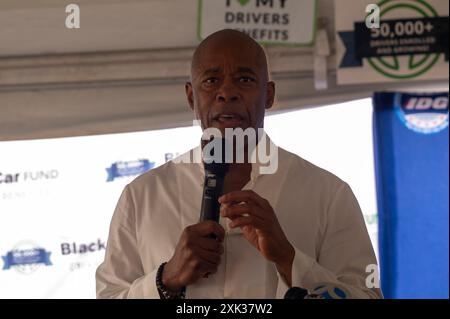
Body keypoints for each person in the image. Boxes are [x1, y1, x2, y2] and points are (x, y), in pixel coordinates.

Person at [95, 29, 382, 299]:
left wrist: (288, 258)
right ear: (191, 97)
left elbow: (364, 294)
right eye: (211, 80)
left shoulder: (327, 194)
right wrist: (166, 279)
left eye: (244, 80)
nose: (227, 92)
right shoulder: (142, 196)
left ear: (268, 95)